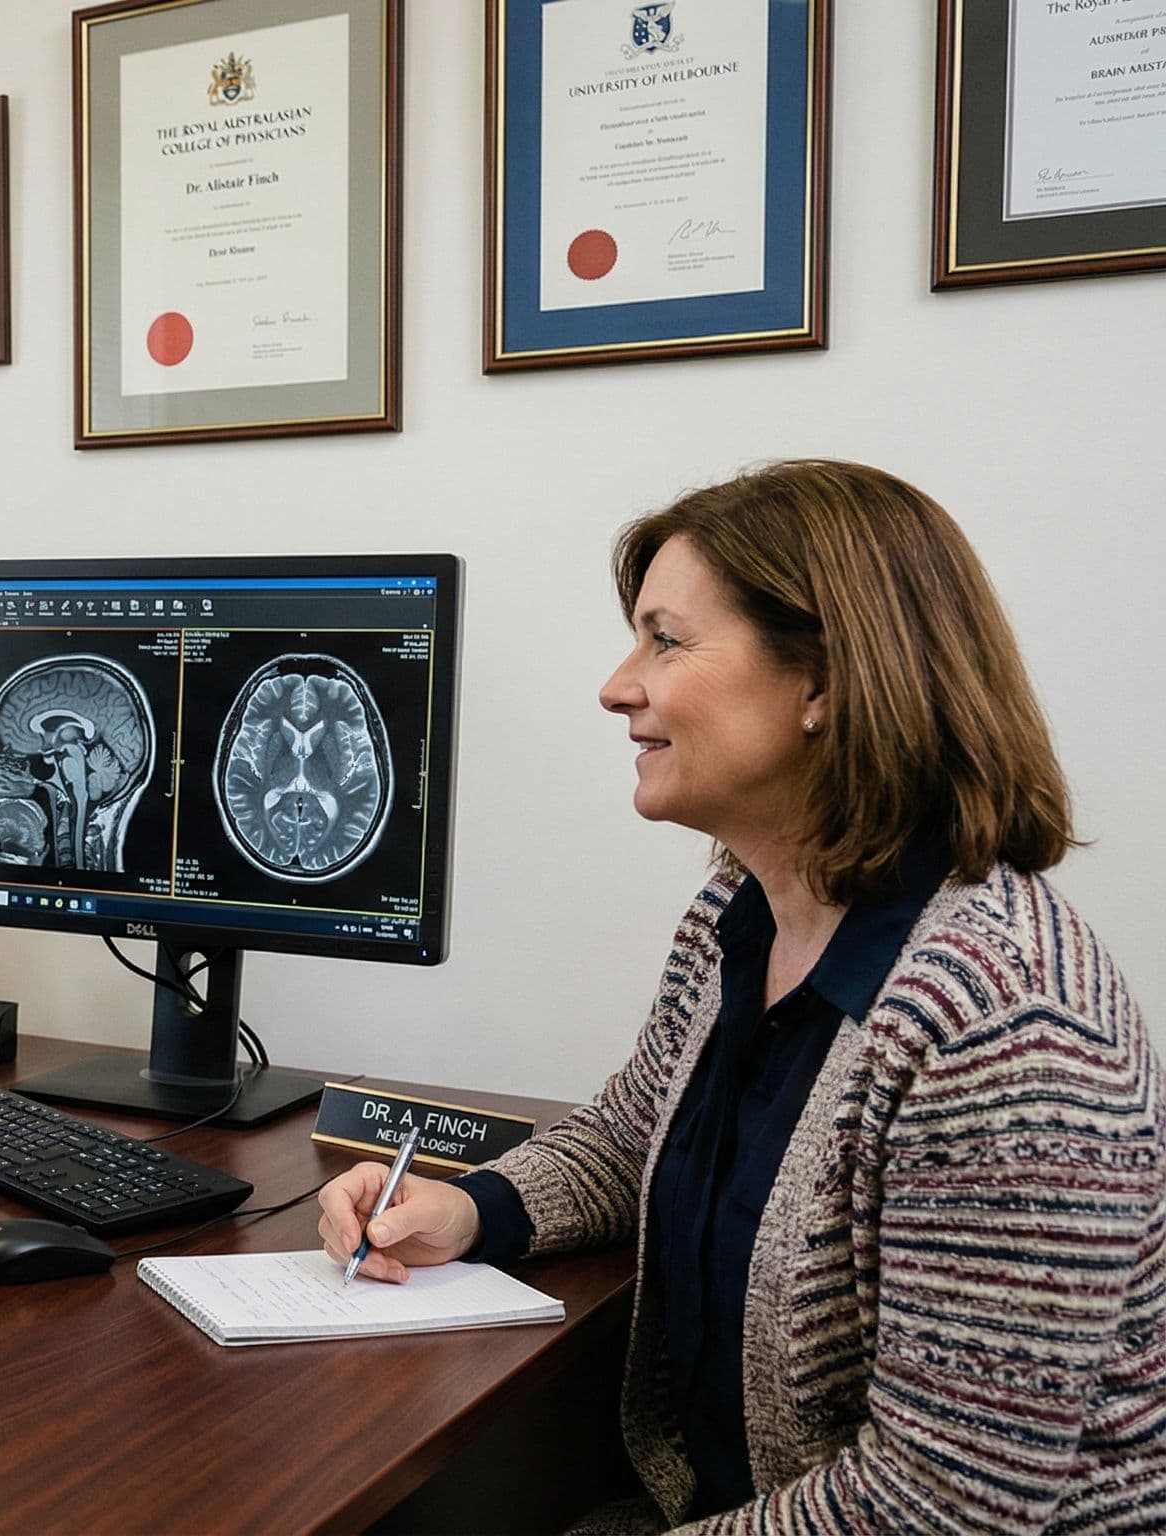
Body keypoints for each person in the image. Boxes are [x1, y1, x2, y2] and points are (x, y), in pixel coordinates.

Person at [316, 460, 1162, 1531]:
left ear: (823, 683)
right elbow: (638, 1136)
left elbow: (945, 1510)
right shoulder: (746, 903)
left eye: (664, 641)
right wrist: (469, 1209)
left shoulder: (1009, 1030)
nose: (617, 685)